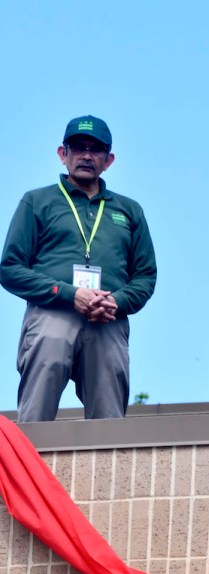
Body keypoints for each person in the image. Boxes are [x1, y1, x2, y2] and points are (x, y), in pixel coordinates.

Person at [0, 116, 157, 421]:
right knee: (37, 411)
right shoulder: (37, 201)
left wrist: (116, 302)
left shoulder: (129, 210)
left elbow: (145, 276)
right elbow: (9, 268)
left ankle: (109, 469)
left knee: (108, 418)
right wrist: (68, 294)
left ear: (108, 160)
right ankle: (30, 464)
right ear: (63, 153)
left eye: (95, 149)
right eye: (78, 147)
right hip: (52, 311)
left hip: (108, 318)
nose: (86, 155)